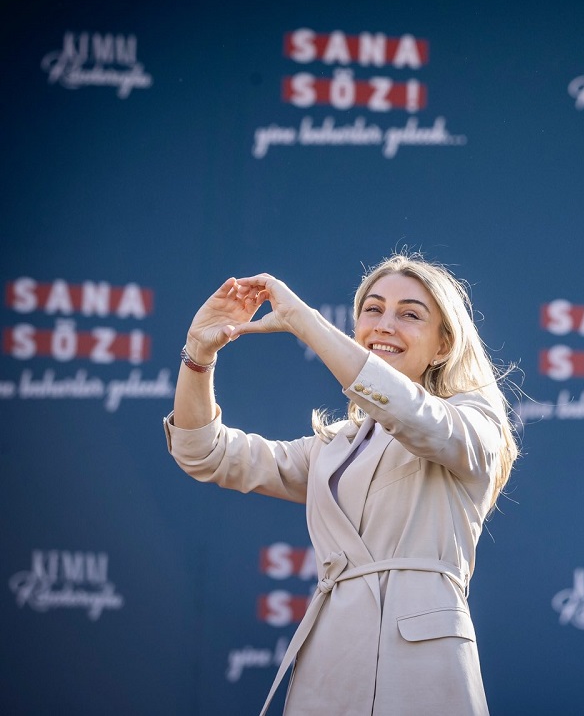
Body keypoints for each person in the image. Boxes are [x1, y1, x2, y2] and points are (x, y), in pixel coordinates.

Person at [164, 253, 519, 716]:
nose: (385, 325)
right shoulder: (333, 447)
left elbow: (416, 417)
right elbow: (204, 452)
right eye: (373, 309)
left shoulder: (475, 418)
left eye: (410, 315)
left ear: (443, 346)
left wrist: (303, 322)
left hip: (422, 666)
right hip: (330, 664)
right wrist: (198, 355)